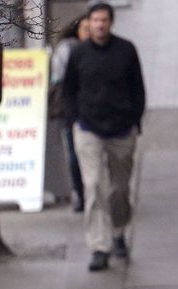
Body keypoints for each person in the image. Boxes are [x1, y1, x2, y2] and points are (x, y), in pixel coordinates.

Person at [62, 2, 146, 272]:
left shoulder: (126, 50)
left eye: (103, 20)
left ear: (111, 22)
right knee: (94, 185)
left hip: (121, 129)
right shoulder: (78, 54)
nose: (99, 25)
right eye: (94, 20)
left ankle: (119, 232)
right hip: (88, 129)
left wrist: (134, 120)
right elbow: (68, 90)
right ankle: (99, 245)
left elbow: (138, 89)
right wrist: (75, 120)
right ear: (88, 23)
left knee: (119, 189)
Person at [49, 12, 90, 213]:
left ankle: (89, 192)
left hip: (93, 111)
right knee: (74, 153)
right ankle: (80, 192)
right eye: (86, 29)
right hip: (72, 110)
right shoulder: (68, 50)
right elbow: (60, 80)